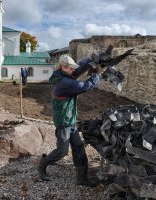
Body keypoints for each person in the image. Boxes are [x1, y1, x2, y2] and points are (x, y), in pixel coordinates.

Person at [38, 55, 106, 187]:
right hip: (63, 121)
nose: (72, 70)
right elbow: (85, 86)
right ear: (63, 68)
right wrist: (97, 75)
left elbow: (77, 68)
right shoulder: (64, 83)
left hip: (71, 119)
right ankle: (43, 164)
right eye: (70, 68)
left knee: (78, 147)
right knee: (62, 151)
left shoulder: (63, 73)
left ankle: (81, 178)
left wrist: (91, 59)